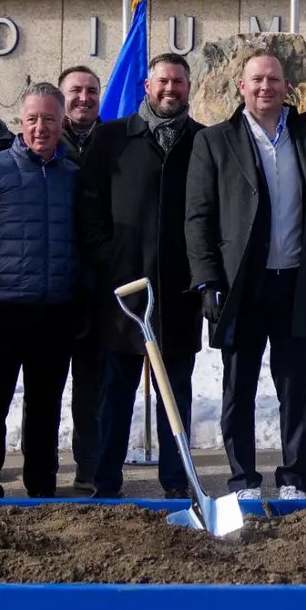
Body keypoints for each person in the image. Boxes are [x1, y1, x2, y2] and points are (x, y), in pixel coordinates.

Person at [184, 50, 306, 501]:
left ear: (287, 87)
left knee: (295, 387)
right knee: (238, 387)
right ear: (242, 87)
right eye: (256, 80)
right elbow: (198, 217)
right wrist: (207, 279)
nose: (265, 87)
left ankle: (295, 479)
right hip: (241, 285)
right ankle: (243, 480)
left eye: (274, 79)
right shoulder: (213, 141)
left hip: (295, 282)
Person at [76, 53, 204, 500]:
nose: (171, 90)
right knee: (115, 394)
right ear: (147, 86)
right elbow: (89, 208)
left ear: (189, 87)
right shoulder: (111, 139)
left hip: (180, 294)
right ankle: (105, 481)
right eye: (163, 82)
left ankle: (177, 480)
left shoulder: (203, 141)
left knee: (176, 396)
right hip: (124, 294)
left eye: (179, 83)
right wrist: (111, 258)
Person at [0, 82, 80, 498]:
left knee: (44, 408)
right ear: (20, 123)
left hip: (55, 312)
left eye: (48, 119)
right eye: (32, 119)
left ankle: (41, 486)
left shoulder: (74, 177)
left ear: (62, 122)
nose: (40, 128)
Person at [56, 64, 104, 492]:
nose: (84, 98)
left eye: (91, 90)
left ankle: (89, 468)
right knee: (46, 385)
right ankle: (41, 471)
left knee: (93, 387)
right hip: (52, 283)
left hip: (100, 283)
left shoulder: (116, 142)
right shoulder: (43, 142)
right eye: (75, 91)